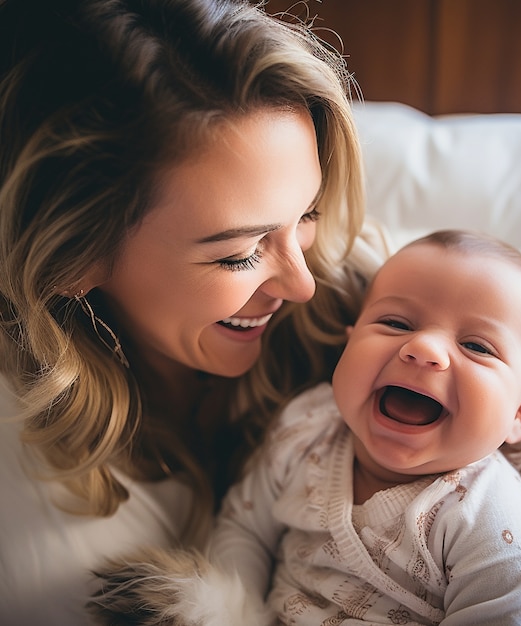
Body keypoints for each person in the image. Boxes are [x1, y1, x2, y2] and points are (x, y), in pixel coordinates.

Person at [0, 1, 385, 624]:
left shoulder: (368, 304)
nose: (302, 284)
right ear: (75, 259)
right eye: (238, 254)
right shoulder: (28, 472)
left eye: (307, 215)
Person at [95, 230, 521, 625]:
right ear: (349, 345)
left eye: (478, 347)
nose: (423, 348)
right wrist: (235, 610)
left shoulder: (497, 531)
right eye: (395, 322)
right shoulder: (308, 426)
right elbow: (246, 527)